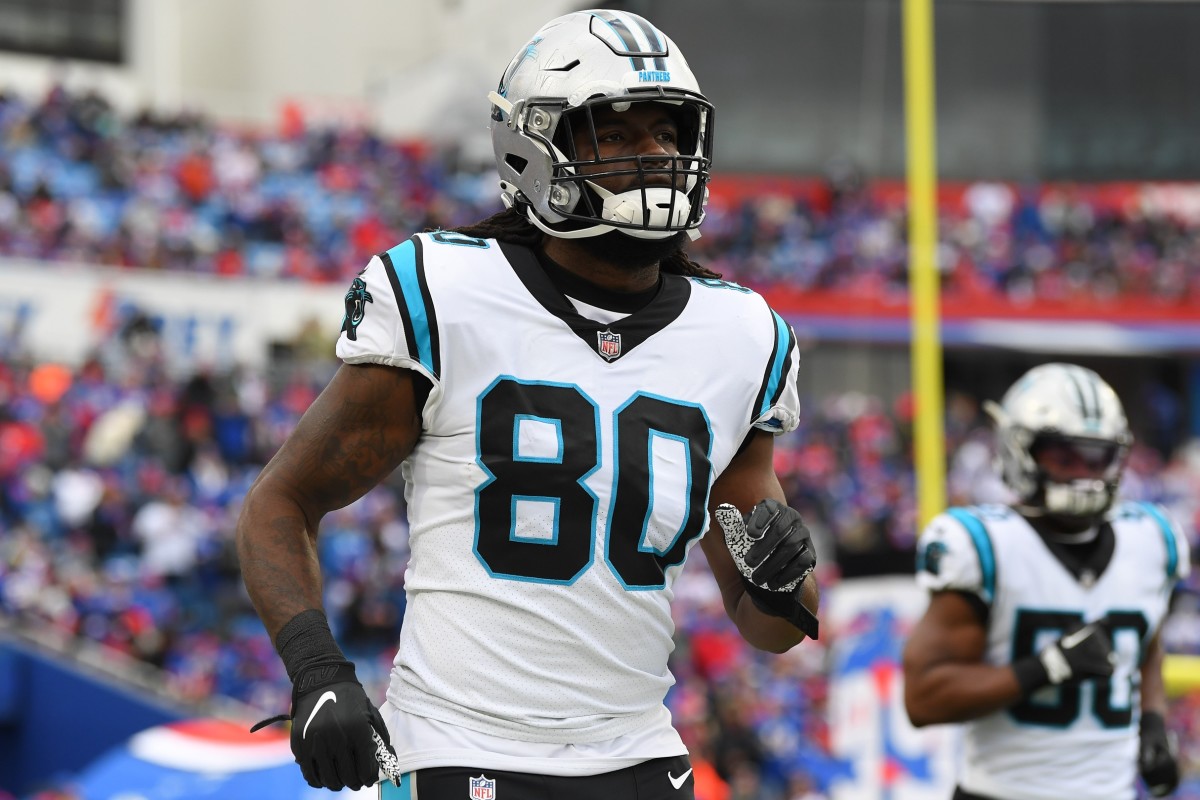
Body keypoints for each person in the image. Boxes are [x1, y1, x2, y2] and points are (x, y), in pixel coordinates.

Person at [236, 9, 820, 799]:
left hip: (638, 755)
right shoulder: (448, 292)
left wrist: (784, 583)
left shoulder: (741, 336)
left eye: (667, 133)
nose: (654, 155)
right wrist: (316, 671)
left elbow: (770, 626)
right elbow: (281, 502)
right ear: (535, 146)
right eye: (616, 133)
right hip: (456, 745)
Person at [902, 362, 1189, 800]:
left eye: (1098, 456)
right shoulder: (985, 544)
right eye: (1063, 455)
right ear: (1021, 450)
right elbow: (923, 699)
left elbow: (1144, 640)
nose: (1084, 472)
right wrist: (1046, 668)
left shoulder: (1151, 537)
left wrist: (1151, 722)